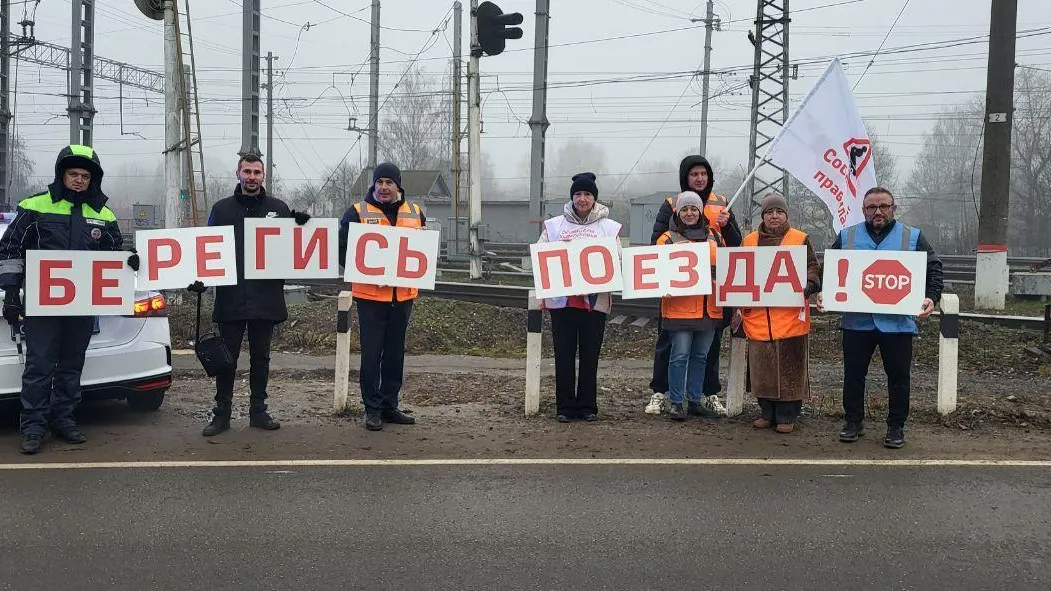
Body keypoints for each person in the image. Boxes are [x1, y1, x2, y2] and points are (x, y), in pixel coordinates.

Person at [0, 145, 137, 455]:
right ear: (62, 174)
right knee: (39, 366)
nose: (78, 180)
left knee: (72, 366)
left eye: (84, 176)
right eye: (73, 174)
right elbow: (9, 250)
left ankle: (63, 420)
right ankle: (34, 427)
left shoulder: (103, 214)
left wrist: (131, 262)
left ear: (93, 179)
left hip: (82, 305)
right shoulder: (35, 205)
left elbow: (115, 255)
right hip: (42, 304)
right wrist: (11, 293)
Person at [819, 187, 943, 449]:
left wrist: (932, 297)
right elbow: (828, 270)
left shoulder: (912, 237)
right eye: (871, 207)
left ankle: (896, 426)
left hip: (897, 324)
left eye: (883, 206)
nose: (878, 212)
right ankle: (853, 422)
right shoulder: (847, 236)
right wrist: (823, 292)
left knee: (898, 378)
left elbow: (934, 269)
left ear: (893, 208)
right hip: (857, 322)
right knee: (853, 375)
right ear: (863, 210)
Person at [199, 153, 310, 437]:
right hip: (231, 296)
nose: (251, 177)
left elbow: (293, 249)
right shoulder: (221, 209)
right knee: (228, 359)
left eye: (256, 172)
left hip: (265, 296)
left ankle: (258, 411)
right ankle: (221, 413)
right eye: (247, 171)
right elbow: (204, 249)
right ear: (238, 174)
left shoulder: (278, 207)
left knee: (261, 357)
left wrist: (302, 226)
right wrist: (198, 277)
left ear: (263, 176)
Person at [646, 155, 741, 417]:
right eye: (694, 174)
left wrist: (729, 224)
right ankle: (664, 394)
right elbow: (655, 253)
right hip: (678, 303)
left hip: (709, 304)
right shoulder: (669, 215)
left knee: (703, 353)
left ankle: (701, 396)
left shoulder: (722, 209)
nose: (699, 178)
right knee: (674, 350)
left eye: (703, 174)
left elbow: (735, 251)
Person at [338, 163, 426, 431]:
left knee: (394, 354)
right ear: (373, 185)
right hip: (370, 297)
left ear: (398, 185)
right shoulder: (355, 213)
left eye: (389, 182)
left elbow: (421, 250)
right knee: (372, 354)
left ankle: (390, 405)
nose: (384, 187)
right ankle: (372, 408)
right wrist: (368, 268)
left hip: (403, 297)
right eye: (380, 182)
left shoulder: (416, 213)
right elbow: (342, 252)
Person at [536, 173, 621, 422]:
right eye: (578, 194)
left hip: (594, 303)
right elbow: (542, 255)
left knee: (589, 355)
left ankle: (587, 406)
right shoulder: (554, 226)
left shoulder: (608, 227)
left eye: (587, 194)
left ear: (594, 198)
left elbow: (616, 258)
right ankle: (564, 407)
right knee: (563, 354)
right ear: (571, 197)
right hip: (562, 302)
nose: (582, 199)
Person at [739, 193, 821, 434]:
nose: (774, 216)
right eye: (769, 212)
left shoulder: (800, 239)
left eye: (779, 212)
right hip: (758, 319)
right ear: (762, 216)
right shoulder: (749, 240)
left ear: (786, 215)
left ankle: (787, 415)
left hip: (790, 319)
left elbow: (813, 267)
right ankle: (766, 412)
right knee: (761, 370)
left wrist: (810, 283)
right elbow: (739, 270)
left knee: (790, 371)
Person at [655, 191, 723, 421]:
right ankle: (676, 402)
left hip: (709, 307)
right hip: (679, 308)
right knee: (680, 355)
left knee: (701, 356)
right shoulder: (666, 239)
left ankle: (694, 400)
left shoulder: (714, 235)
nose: (690, 213)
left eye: (694, 208)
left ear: (700, 211)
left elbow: (726, 268)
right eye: (685, 209)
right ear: (678, 212)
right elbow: (657, 271)